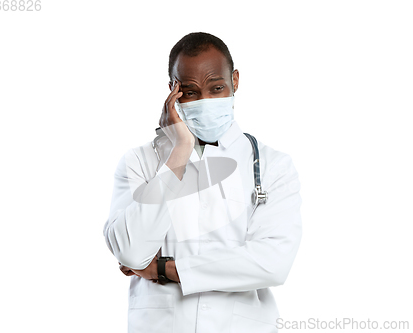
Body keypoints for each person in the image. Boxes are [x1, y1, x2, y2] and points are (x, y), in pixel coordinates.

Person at [103, 32, 302, 333]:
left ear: (235, 81)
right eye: (191, 92)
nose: (205, 100)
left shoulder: (274, 165)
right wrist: (178, 151)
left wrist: (164, 269)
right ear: (173, 90)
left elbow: (272, 262)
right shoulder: (140, 162)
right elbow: (131, 251)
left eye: (217, 88)